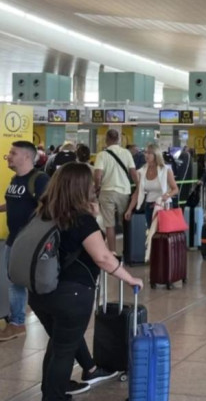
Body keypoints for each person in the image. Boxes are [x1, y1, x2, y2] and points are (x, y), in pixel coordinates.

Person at [29, 162, 143, 400]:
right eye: (90, 182)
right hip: (72, 295)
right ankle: (54, 396)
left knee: (58, 344)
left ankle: (49, 392)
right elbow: (102, 257)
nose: (95, 185)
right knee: (64, 351)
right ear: (80, 187)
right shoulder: (81, 219)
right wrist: (131, 278)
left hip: (40, 292)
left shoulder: (44, 212)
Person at [0, 141, 50, 341]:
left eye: (13, 153)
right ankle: (16, 321)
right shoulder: (15, 180)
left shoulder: (39, 179)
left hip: (28, 243)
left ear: (27, 157)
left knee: (20, 283)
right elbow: (14, 203)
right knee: (14, 281)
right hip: (14, 240)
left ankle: (18, 322)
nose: (9, 156)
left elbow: (47, 207)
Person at [94, 129, 137, 253]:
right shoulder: (126, 153)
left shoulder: (102, 155)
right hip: (124, 192)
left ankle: (112, 252)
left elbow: (97, 175)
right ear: (118, 139)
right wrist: (139, 187)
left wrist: (97, 187)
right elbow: (133, 173)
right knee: (125, 222)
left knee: (109, 224)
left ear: (106, 139)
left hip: (107, 192)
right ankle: (127, 251)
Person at [125, 143, 180, 229]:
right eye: (145, 152)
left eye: (149, 153)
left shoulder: (166, 170)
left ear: (156, 154)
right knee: (151, 233)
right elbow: (138, 192)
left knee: (163, 232)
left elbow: (175, 189)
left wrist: (167, 195)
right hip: (149, 206)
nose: (146, 155)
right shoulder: (142, 171)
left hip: (164, 205)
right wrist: (129, 209)